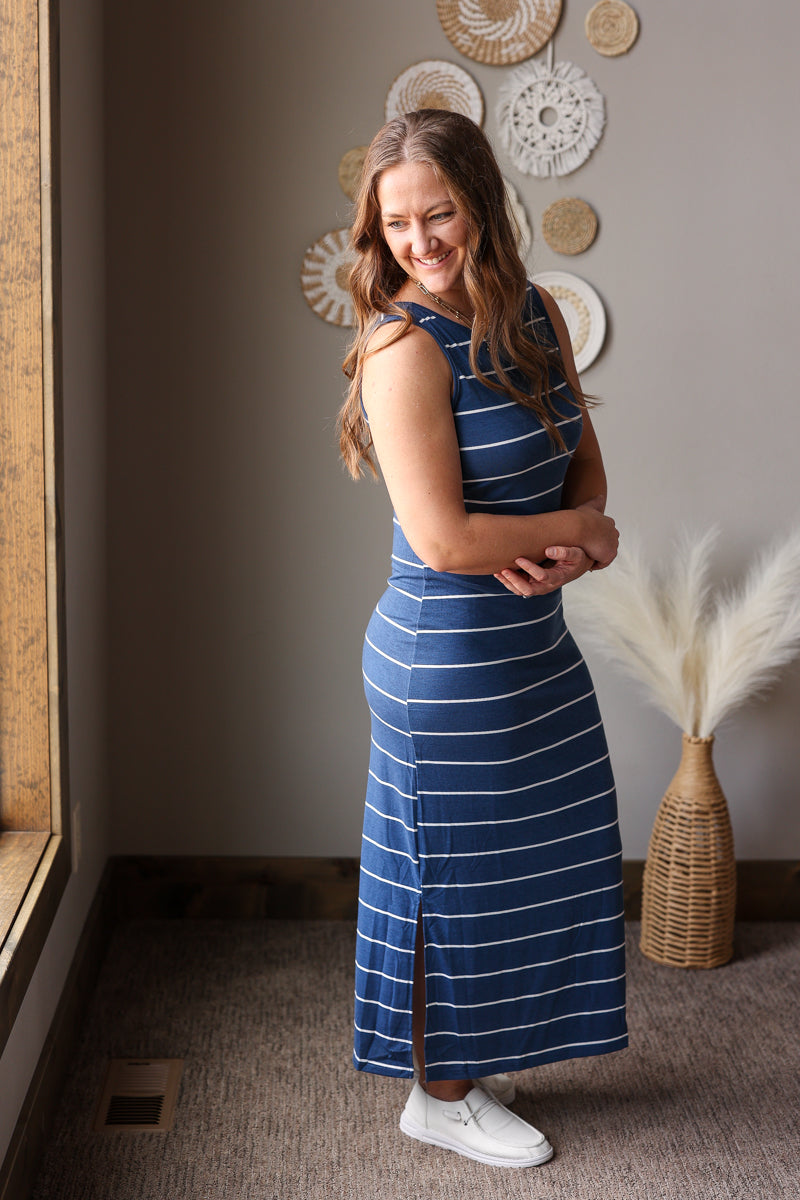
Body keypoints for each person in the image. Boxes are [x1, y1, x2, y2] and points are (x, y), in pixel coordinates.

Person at [338, 109, 627, 1170]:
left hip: (532, 648)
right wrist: (580, 535)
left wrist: (578, 546)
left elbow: (583, 465)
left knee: (534, 868)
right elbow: (445, 539)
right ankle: (439, 1096)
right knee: (448, 885)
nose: (419, 241)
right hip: (446, 663)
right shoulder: (402, 347)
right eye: (396, 224)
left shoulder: (535, 311)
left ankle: (469, 1059)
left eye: (440, 213)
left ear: (481, 205)